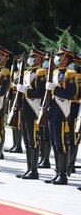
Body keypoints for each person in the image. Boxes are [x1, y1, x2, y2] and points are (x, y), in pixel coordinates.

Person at [44, 46, 76, 185]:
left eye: (61, 56)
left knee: (61, 143)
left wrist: (55, 89)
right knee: (55, 143)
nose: (58, 58)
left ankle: (63, 175)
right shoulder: (55, 72)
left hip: (62, 113)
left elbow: (71, 94)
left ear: (66, 59)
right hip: (52, 112)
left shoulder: (70, 74)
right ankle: (57, 172)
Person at [15, 48, 46, 179]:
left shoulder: (41, 73)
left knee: (33, 140)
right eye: (30, 56)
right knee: (27, 141)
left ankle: (34, 170)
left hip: (33, 110)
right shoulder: (28, 72)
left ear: (39, 58)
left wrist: (25, 91)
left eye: (34, 56)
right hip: (25, 109)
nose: (31, 59)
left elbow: (41, 92)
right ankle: (29, 168)